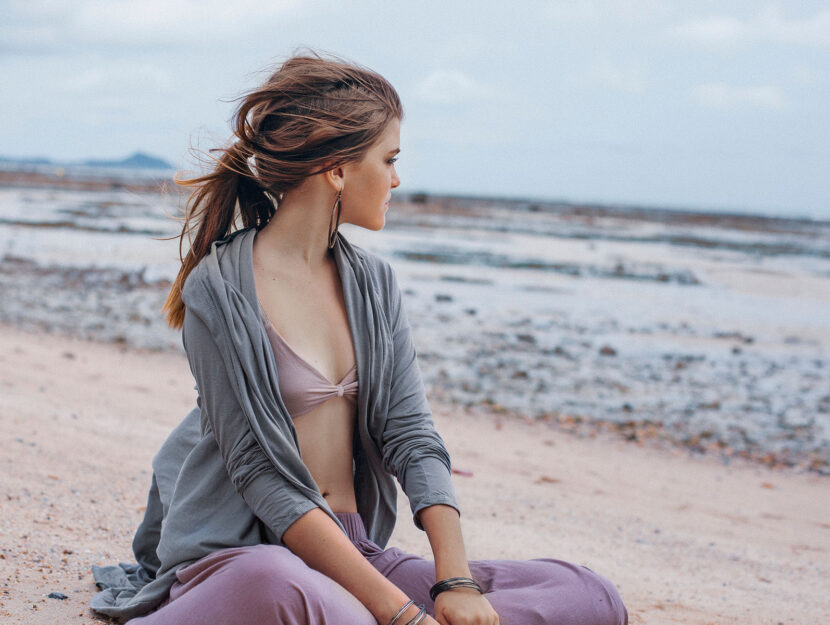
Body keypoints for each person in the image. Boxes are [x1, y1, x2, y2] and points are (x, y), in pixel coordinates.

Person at [89, 50, 629, 625]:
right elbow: (263, 476)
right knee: (277, 583)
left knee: (587, 594)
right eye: (389, 158)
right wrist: (400, 615)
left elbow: (412, 434)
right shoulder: (217, 291)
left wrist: (455, 582)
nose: (397, 178)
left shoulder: (373, 283)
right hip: (244, 558)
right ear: (338, 169)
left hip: (355, 553)